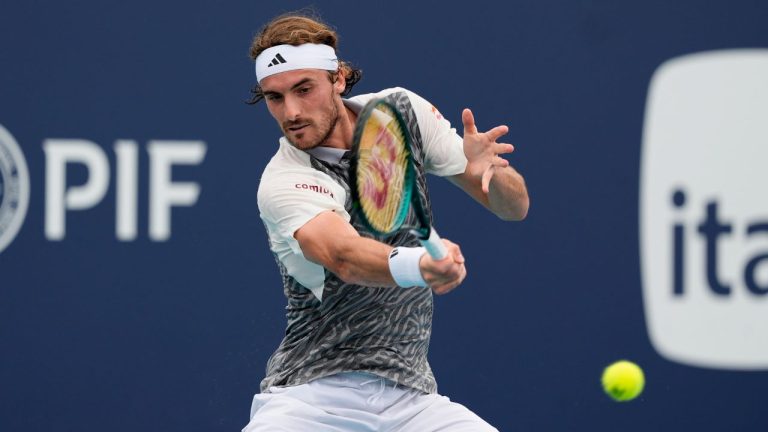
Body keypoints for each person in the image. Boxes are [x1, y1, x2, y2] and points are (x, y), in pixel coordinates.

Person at [243, 12, 529, 432]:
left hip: (415, 402)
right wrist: (420, 266)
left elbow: (512, 207)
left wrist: (494, 171)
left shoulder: (399, 112)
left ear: (338, 79)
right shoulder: (284, 179)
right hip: (312, 402)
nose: (292, 112)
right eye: (275, 97)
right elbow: (343, 255)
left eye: (304, 89)